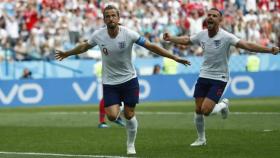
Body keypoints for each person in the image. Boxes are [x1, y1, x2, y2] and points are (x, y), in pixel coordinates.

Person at [55, 5, 191, 155]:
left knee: (129, 114)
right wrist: (67, 53)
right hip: (110, 82)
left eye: (113, 15)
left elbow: (151, 46)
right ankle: (119, 109)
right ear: (104, 19)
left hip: (129, 80)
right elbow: (84, 47)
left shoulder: (129, 34)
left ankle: (130, 143)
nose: (111, 18)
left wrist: (174, 57)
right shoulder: (98, 35)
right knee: (112, 116)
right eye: (107, 16)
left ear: (118, 18)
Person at [163, 8, 279, 147]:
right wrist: (171, 38)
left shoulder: (226, 37)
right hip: (203, 75)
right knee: (198, 110)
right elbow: (187, 40)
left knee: (206, 111)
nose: (210, 17)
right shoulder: (202, 35)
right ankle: (201, 139)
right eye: (209, 15)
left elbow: (247, 45)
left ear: (220, 20)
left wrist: (268, 50)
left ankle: (223, 105)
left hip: (220, 77)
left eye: (214, 16)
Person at [93, 59, 125, 128]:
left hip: (113, 79)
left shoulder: (98, 64)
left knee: (118, 97)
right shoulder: (106, 61)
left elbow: (95, 73)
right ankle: (103, 121)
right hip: (108, 80)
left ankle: (116, 117)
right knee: (106, 98)